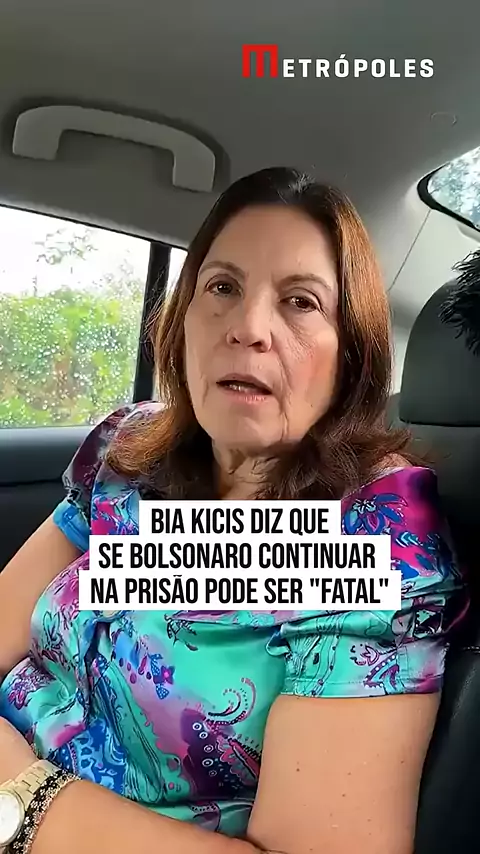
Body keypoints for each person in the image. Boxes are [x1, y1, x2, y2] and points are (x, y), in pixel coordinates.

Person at [0, 167, 467, 854]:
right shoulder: (128, 450)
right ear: (183, 319)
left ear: (351, 355)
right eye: (222, 287)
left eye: (301, 302)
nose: (248, 328)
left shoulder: (372, 534)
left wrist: (18, 797)